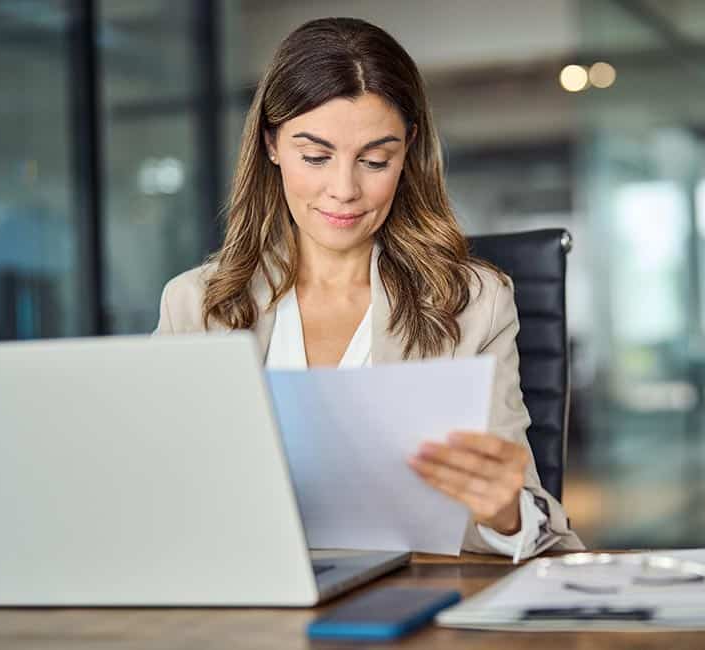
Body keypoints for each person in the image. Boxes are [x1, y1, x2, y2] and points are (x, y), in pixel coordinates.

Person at [154, 17, 582, 558]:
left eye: (375, 160)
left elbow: (541, 530)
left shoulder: (472, 303)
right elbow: (163, 500)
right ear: (271, 144)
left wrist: (502, 510)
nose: (344, 190)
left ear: (408, 150)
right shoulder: (196, 305)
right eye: (316, 156)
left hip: (409, 606)